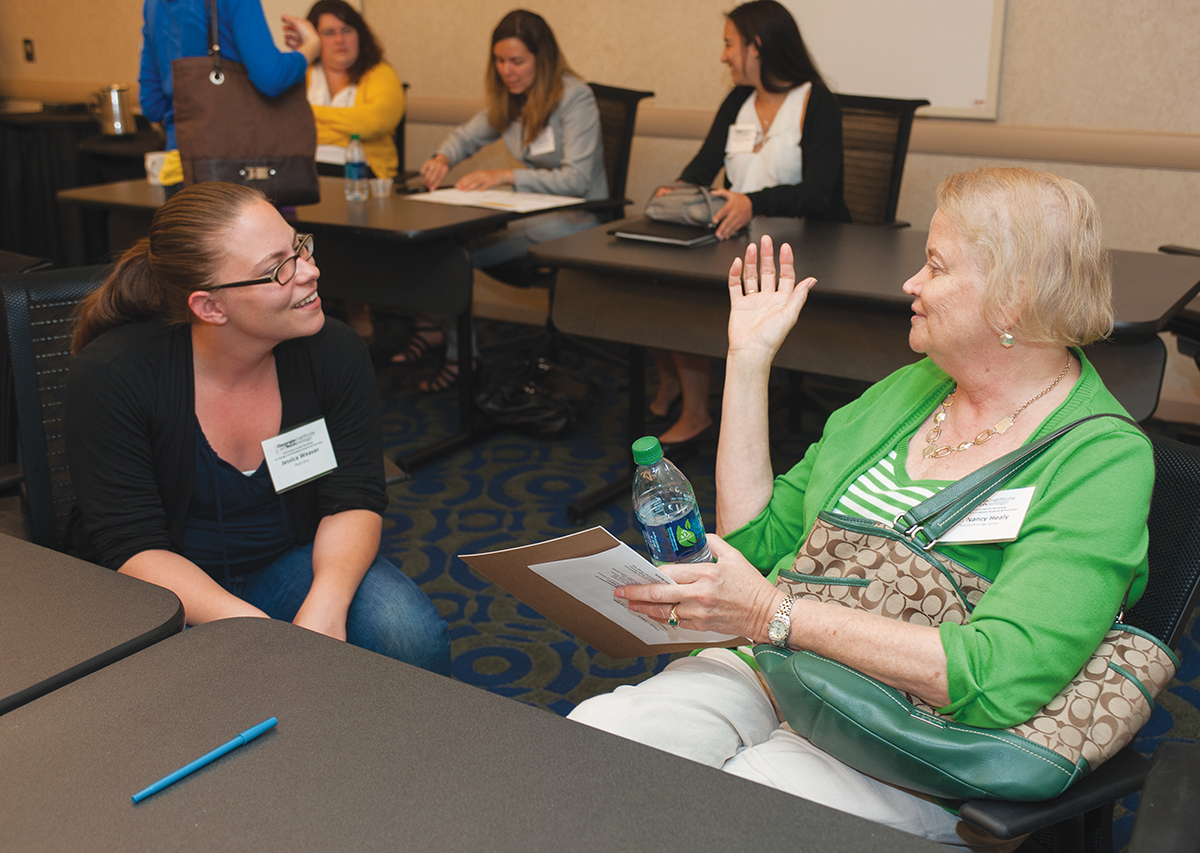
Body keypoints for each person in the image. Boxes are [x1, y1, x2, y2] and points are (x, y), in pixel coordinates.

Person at [568, 167, 1152, 846]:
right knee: (596, 753)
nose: (912, 283)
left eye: (935, 265)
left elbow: (996, 676)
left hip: (909, 731)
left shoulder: (1102, 459)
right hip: (778, 663)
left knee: (721, 820)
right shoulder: (911, 391)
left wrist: (773, 613)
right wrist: (748, 360)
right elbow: (756, 541)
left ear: (1011, 297)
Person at [65, 182, 451, 676]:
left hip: (284, 560)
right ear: (210, 307)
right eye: (277, 270)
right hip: (162, 586)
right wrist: (257, 628)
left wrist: (325, 605)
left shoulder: (332, 352)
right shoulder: (116, 374)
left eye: (300, 248)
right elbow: (133, 545)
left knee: (409, 637)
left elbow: (352, 498)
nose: (310, 272)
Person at [649, 0, 851, 449]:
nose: (723, 56)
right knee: (672, 287)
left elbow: (819, 193)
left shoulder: (817, 103)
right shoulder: (737, 100)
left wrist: (751, 201)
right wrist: (677, 193)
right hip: (735, 240)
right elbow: (702, 167)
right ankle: (696, 409)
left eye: (729, 45)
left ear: (756, 47)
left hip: (807, 246)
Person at [400, 8, 606, 392]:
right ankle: (451, 344)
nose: (507, 71)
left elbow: (577, 181)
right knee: (446, 244)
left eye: (517, 61)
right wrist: (442, 157)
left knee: (452, 258)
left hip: (577, 218)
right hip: (531, 214)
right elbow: (467, 136)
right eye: (499, 61)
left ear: (541, 59)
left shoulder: (575, 98)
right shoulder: (513, 99)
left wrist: (504, 175)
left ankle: (460, 358)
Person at [297, 0, 406, 342]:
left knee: (344, 220)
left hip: (363, 176)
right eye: (329, 32)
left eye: (347, 30)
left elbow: (376, 121)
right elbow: (284, 125)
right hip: (305, 173)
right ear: (315, 38)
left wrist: (311, 117)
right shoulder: (300, 73)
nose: (340, 40)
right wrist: (342, 125)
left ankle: (358, 313)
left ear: (360, 35)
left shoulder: (379, 73)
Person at [139, 0, 322, 188]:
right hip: (239, 170)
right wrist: (310, 49)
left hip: (179, 167)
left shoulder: (154, 4)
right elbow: (271, 79)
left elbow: (152, 105)